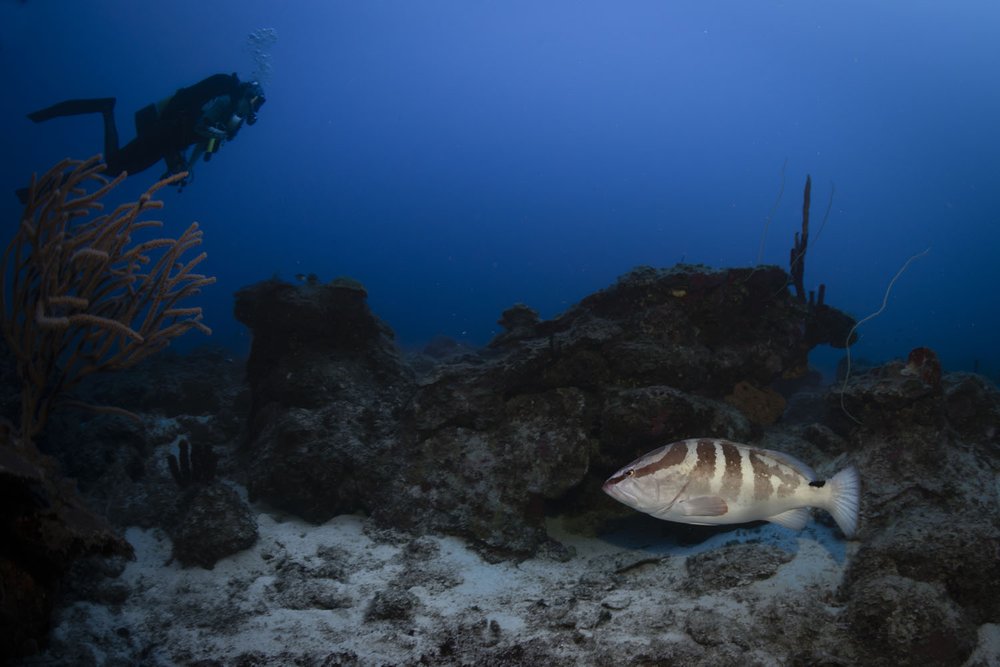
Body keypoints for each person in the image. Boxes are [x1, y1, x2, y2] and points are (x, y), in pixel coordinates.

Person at [19, 72, 265, 200]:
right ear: (245, 95)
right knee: (114, 165)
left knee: (118, 169)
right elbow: (201, 126)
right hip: (162, 129)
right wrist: (213, 138)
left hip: (169, 140)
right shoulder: (224, 102)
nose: (248, 112)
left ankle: (44, 189)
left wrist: (188, 168)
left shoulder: (232, 118)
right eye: (251, 104)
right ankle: (106, 110)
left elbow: (203, 143)